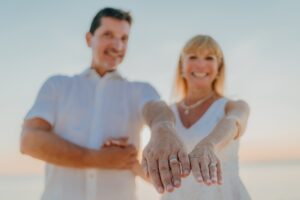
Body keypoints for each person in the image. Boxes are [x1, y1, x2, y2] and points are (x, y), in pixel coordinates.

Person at [20, 7, 249, 200]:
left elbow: (157, 110)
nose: (117, 45)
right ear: (89, 38)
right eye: (108, 34)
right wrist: (111, 159)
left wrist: (163, 129)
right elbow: (29, 141)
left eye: (124, 38)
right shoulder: (57, 85)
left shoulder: (140, 90)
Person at [158, 35, 251, 199]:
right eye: (193, 57)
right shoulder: (167, 113)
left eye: (209, 58)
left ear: (219, 68)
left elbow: (233, 122)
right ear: (182, 66)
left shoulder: (234, 106)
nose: (201, 65)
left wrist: (209, 144)